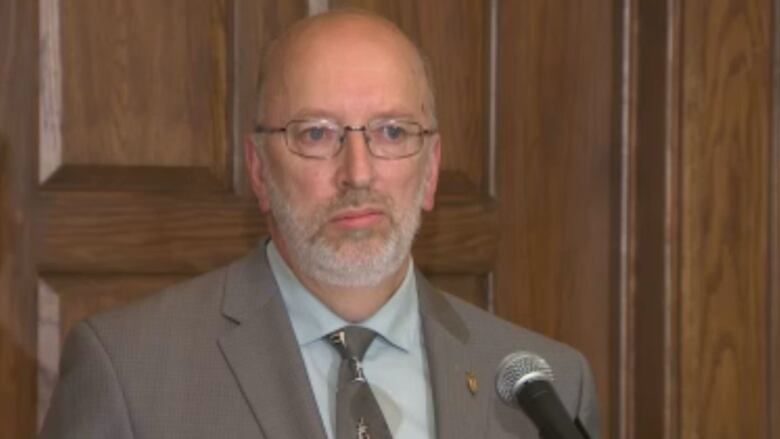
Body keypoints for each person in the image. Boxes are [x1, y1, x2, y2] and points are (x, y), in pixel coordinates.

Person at [41, 10, 599, 439]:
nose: (357, 174)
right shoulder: (130, 372)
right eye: (316, 134)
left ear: (430, 171)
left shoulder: (547, 389)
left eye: (392, 133)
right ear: (258, 170)